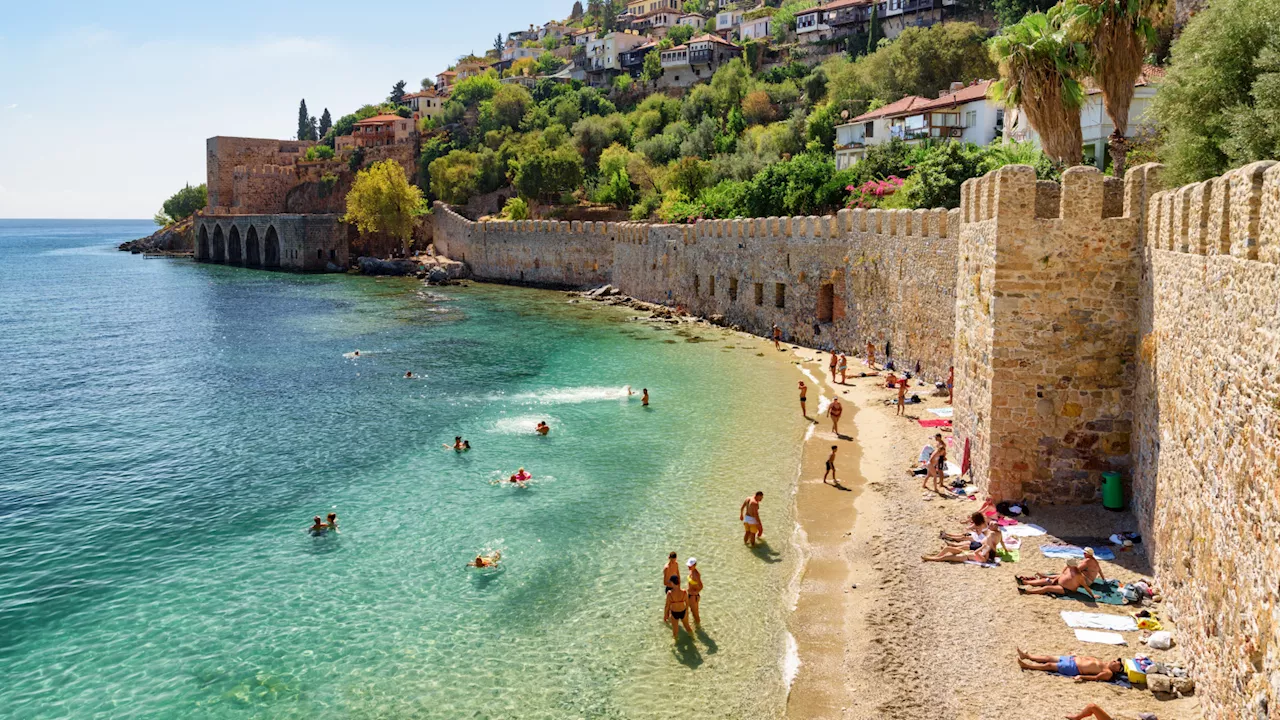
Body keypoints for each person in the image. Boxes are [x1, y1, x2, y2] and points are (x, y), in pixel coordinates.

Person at [922, 519, 1005, 563]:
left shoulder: (983, 559)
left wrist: (983, 547)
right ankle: (936, 556)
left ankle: (931, 559)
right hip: (964, 552)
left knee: (945, 557)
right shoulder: (986, 552)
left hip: (964, 556)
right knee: (947, 548)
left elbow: (976, 553)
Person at [1016, 650, 1123, 683]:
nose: (1115, 660)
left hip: (1075, 668)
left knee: (1049, 665)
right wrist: (1076, 655)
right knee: (1048, 657)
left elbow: (1096, 678)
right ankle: (1027, 656)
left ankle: (1028, 666)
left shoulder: (1108, 672)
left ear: (1117, 669)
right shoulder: (1103, 662)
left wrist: (1081, 677)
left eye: (1117, 663)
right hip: (1072, 659)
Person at [1017, 559, 1096, 599]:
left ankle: (1027, 591)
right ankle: (1024, 582)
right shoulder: (1068, 568)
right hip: (1058, 582)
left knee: (1047, 588)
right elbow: (1061, 575)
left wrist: (1093, 595)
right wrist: (1054, 579)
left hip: (1065, 589)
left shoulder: (1078, 575)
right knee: (1045, 581)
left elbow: (1086, 587)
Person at [686, 558, 702, 625]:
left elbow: (701, 586)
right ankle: (695, 625)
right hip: (690, 595)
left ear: (694, 565)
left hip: (693, 597)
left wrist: (695, 592)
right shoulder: (691, 571)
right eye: (688, 565)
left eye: (690, 565)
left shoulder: (696, 574)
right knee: (691, 611)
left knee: (695, 613)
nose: (688, 567)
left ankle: (698, 627)